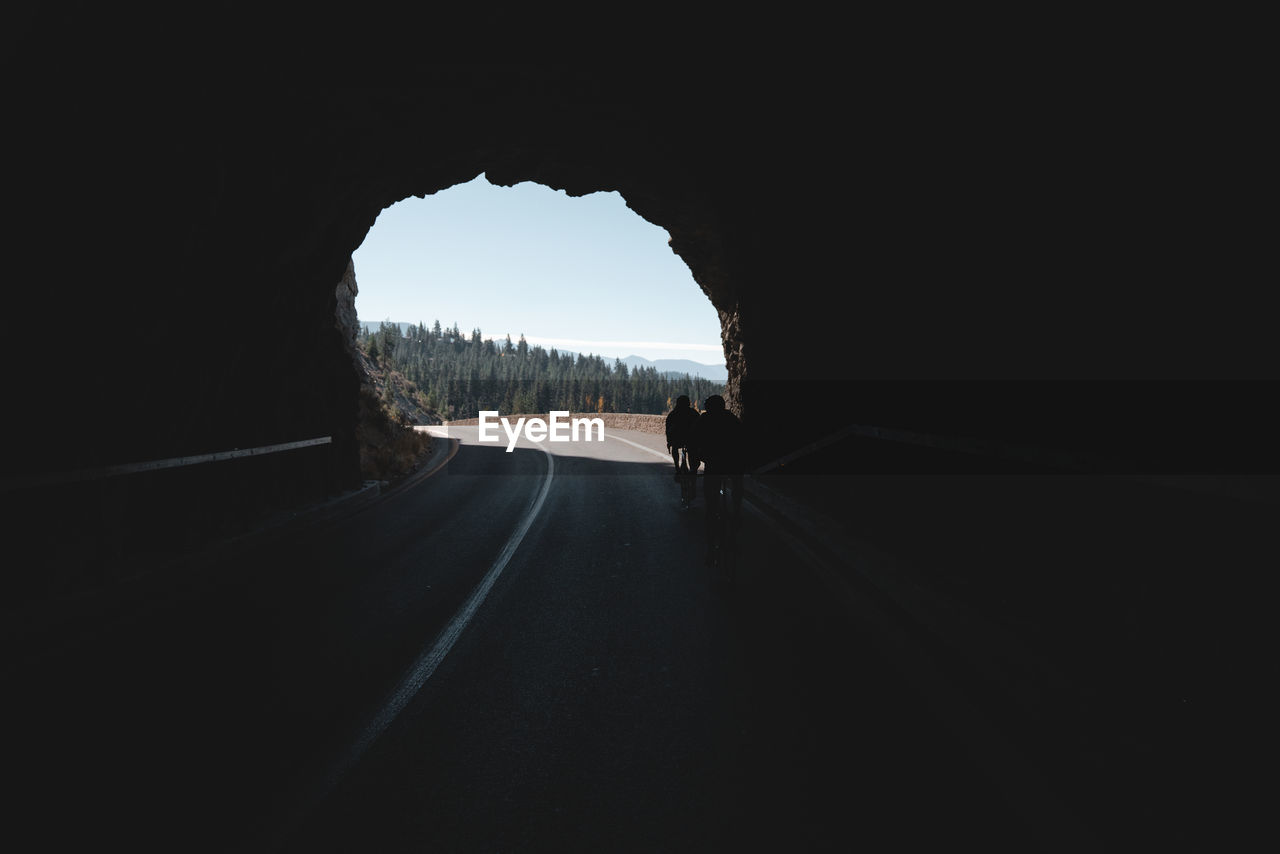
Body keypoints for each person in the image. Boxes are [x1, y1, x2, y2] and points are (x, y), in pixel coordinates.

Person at [691, 394, 745, 565]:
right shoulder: (732, 419)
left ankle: (709, 549)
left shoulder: (703, 420)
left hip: (713, 465)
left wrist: (695, 459)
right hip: (732, 463)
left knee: (711, 508)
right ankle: (736, 510)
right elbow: (744, 439)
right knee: (737, 482)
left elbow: (693, 441)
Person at [665, 395, 701, 498]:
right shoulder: (694, 413)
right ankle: (693, 470)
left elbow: (668, 430)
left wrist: (669, 442)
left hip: (678, 440)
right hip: (691, 440)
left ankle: (677, 467)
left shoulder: (673, 414)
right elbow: (700, 428)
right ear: (688, 403)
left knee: (674, 448)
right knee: (693, 456)